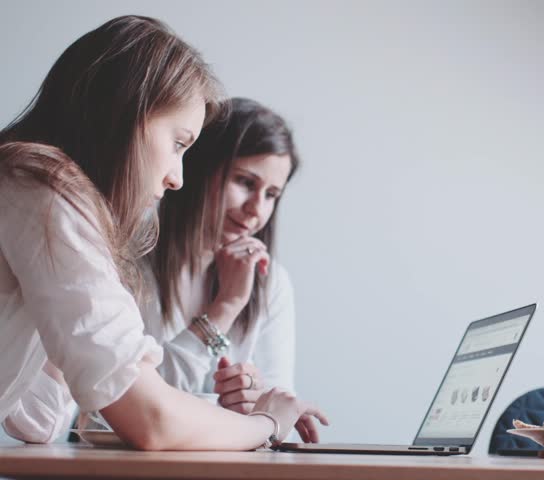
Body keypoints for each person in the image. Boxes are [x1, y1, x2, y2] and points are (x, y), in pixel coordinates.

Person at [0, 15, 325, 450]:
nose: (177, 179)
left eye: (272, 194)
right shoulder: (42, 185)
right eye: (178, 144)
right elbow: (146, 418)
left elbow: (38, 419)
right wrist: (267, 423)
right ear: (125, 116)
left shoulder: (31, 189)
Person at [142, 98, 307, 425]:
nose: (256, 209)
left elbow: (280, 413)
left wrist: (254, 401)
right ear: (202, 168)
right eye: (245, 182)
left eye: (272, 194)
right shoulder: (130, 258)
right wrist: (226, 306)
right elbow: (130, 401)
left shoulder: (270, 280)